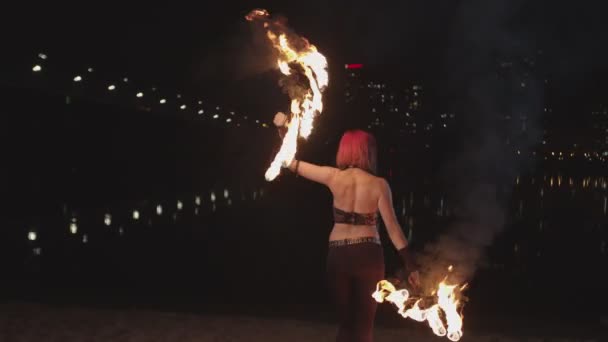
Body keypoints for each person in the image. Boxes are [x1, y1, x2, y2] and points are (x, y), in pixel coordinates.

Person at [273, 112, 419, 342]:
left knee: (346, 323)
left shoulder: (332, 176)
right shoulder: (380, 185)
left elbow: (290, 162)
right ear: (369, 152)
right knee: (364, 325)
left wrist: (283, 131)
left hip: (339, 254)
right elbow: (393, 229)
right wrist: (410, 265)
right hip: (368, 255)